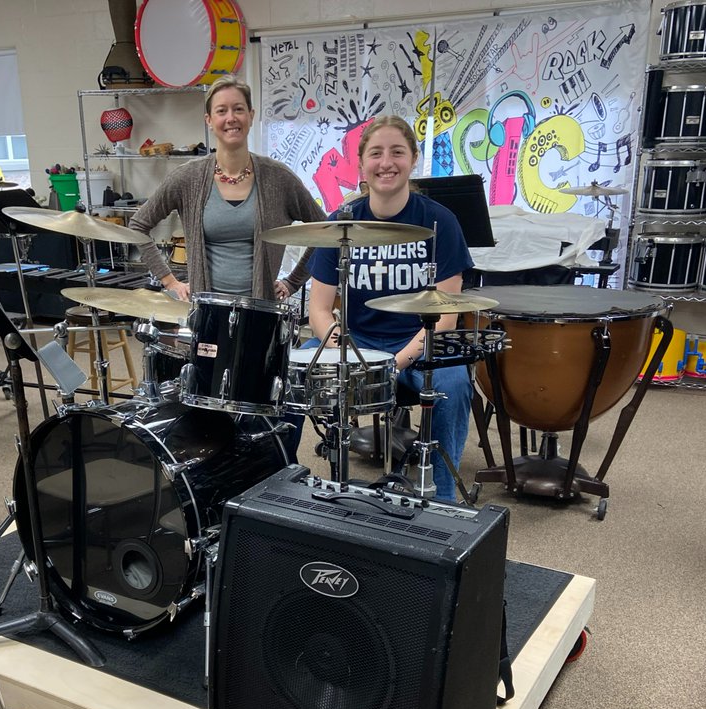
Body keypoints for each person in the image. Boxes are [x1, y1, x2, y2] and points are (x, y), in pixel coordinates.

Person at [301, 115, 475, 502]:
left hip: (420, 341)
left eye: (398, 152)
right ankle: (280, 483)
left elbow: (446, 316)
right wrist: (339, 348)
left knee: (455, 385)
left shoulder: (439, 222)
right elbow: (319, 309)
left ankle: (442, 500)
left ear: (413, 158)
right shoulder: (340, 223)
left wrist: (396, 362)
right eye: (376, 153)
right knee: (293, 371)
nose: (386, 162)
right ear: (361, 164)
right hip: (356, 340)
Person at [129, 76, 324, 302]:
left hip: (261, 313)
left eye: (238, 109)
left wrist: (293, 281)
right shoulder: (188, 178)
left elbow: (326, 233)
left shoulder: (278, 178)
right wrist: (170, 281)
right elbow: (138, 225)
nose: (231, 118)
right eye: (221, 111)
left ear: (251, 116)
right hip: (207, 314)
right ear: (209, 120)